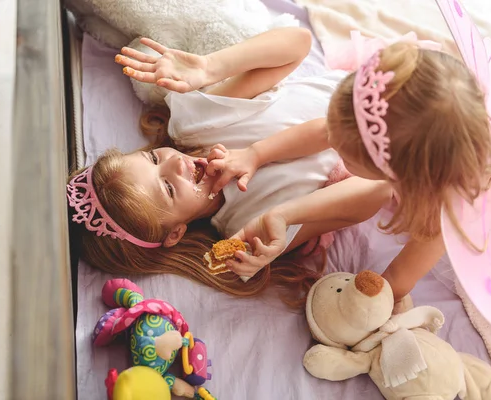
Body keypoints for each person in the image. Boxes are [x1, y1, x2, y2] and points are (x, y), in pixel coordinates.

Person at [67, 27, 390, 303]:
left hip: (369, 89)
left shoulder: (198, 127)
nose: (175, 163)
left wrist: (210, 68)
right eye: (166, 187)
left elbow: (298, 43)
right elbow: (377, 190)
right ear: (176, 232)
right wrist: (283, 217)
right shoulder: (251, 226)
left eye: (153, 158)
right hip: (397, 141)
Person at [209, 41, 491, 302]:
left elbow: (398, 280)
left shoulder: (443, 205)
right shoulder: (395, 118)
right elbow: (327, 131)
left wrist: (360, 303)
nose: (331, 142)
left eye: (342, 151)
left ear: (400, 176)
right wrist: (255, 154)